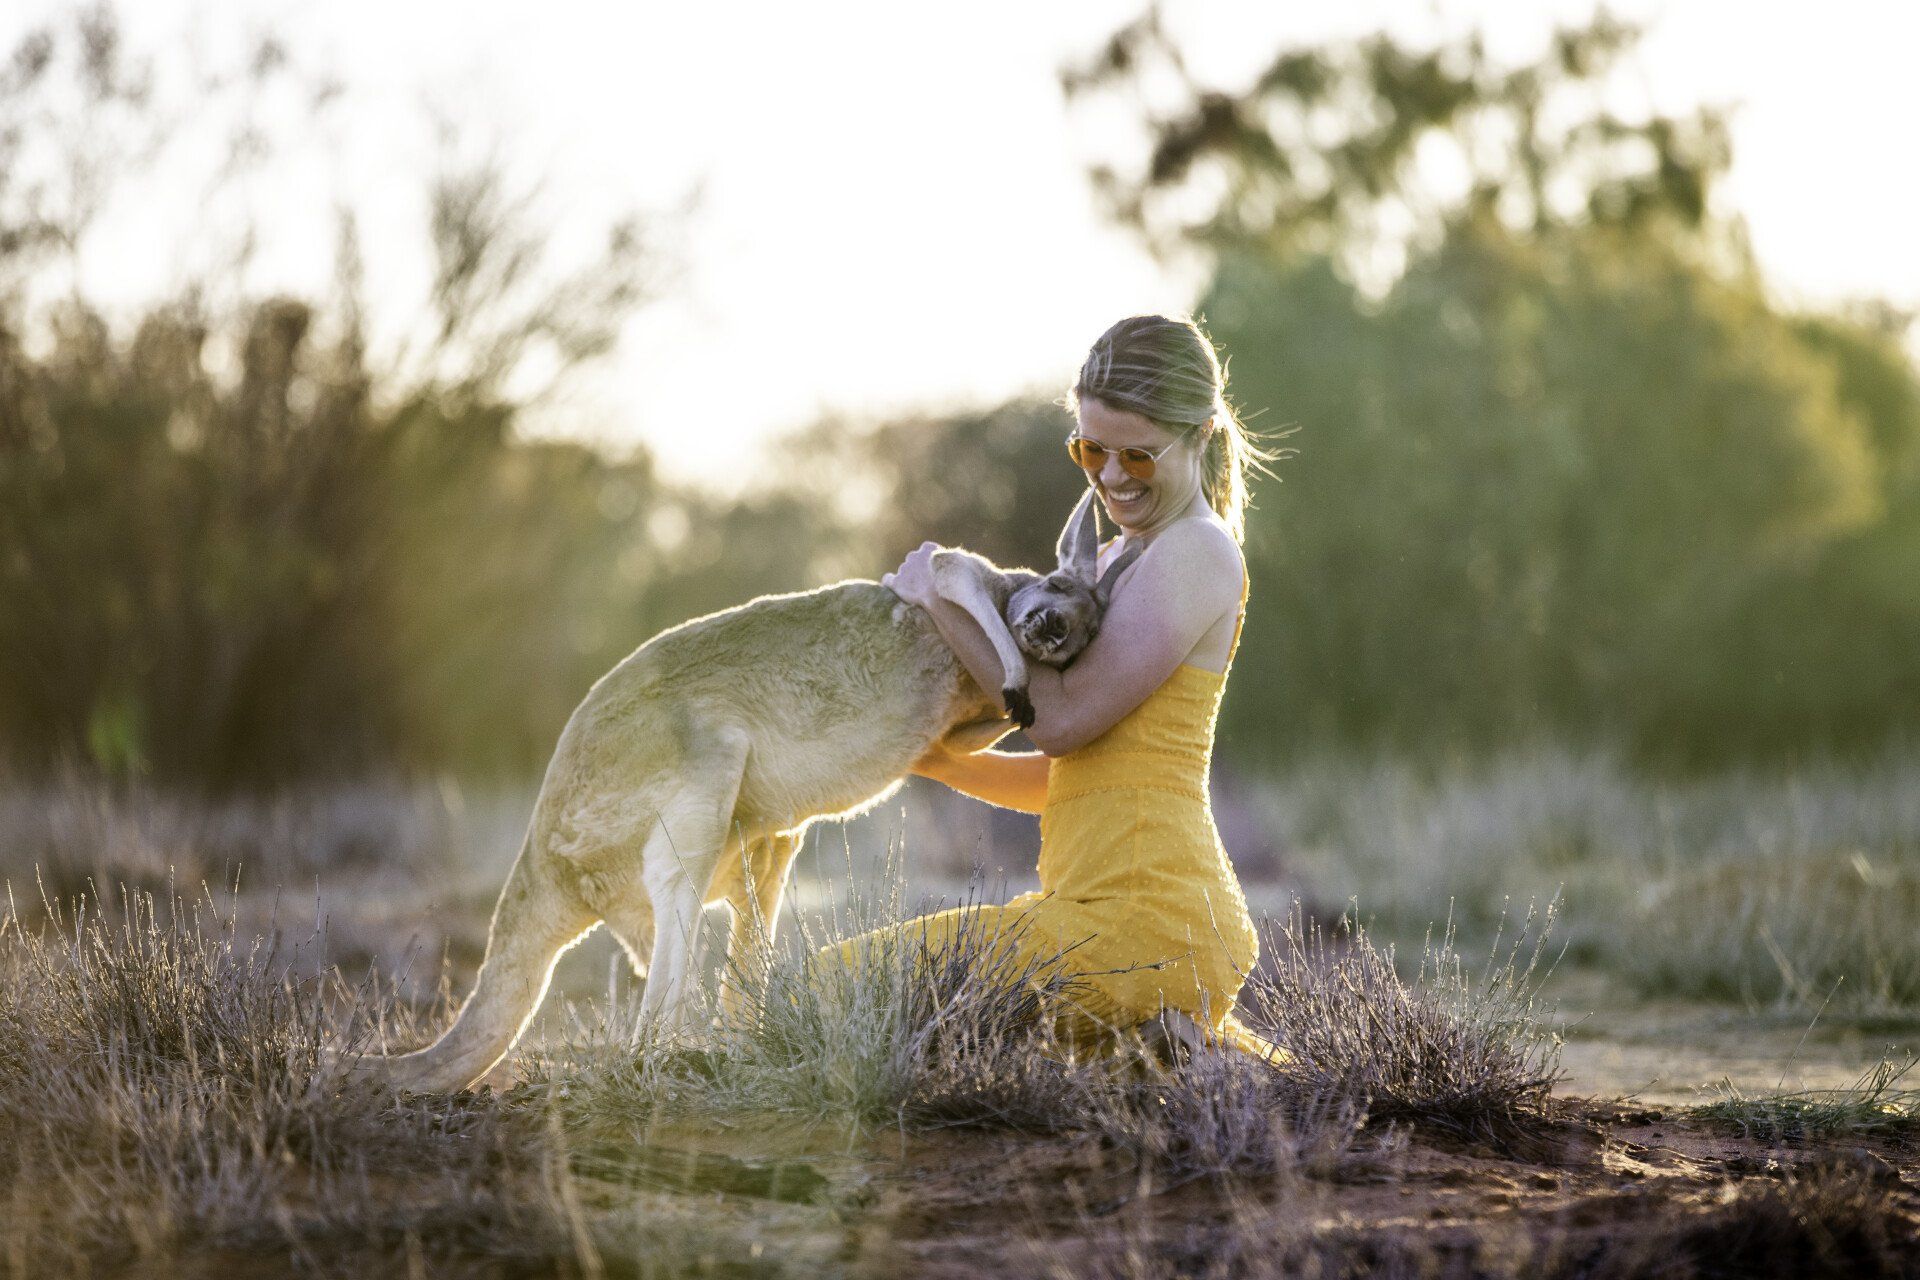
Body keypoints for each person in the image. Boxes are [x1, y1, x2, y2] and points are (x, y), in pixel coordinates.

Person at [817, 313, 1287, 1067]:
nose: (1109, 477)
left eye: (1138, 455)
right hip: (1107, 917)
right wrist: (932, 760)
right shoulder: (1115, 559)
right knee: (839, 998)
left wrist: (944, 593)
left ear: (1200, 436)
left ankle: (1172, 1046)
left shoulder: (1197, 552)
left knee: (810, 996)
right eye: (1091, 449)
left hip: (1148, 923)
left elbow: (1059, 721)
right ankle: (1171, 1054)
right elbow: (1076, 783)